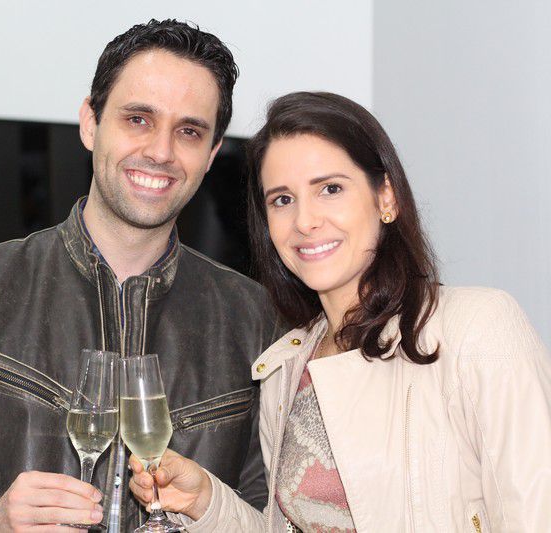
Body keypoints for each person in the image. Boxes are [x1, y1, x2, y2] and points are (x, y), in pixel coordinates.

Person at [0, 19, 284, 533]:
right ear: (90, 123)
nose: (161, 152)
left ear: (210, 154)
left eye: (189, 131)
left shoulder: (253, 318)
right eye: (138, 119)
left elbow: (271, 514)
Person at [128, 91, 551, 532]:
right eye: (282, 199)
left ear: (386, 197)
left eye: (330, 189)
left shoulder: (477, 328)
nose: (305, 220)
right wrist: (206, 502)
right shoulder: (286, 366)